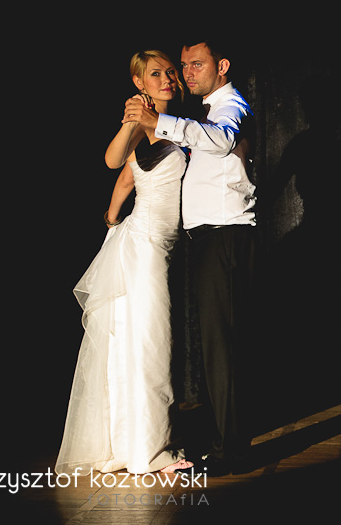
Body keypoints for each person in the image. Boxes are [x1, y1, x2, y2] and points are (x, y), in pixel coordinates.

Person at [122, 37, 257, 476]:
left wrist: (160, 121)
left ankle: (231, 452)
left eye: (196, 64)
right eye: (184, 65)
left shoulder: (230, 105)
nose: (187, 73)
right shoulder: (204, 112)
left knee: (223, 348)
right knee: (217, 347)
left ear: (222, 66)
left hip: (224, 235)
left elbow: (222, 140)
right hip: (208, 238)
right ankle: (225, 443)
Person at [55, 50, 193, 475]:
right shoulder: (141, 121)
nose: (167, 79)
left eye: (170, 72)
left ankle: (129, 445)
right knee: (151, 344)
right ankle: (151, 453)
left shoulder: (180, 123)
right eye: (155, 74)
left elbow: (128, 177)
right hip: (144, 246)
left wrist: (112, 215)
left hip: (156, 242)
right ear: (139, 82)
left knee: (136, 343)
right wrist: (133, 120)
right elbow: (115, 162)